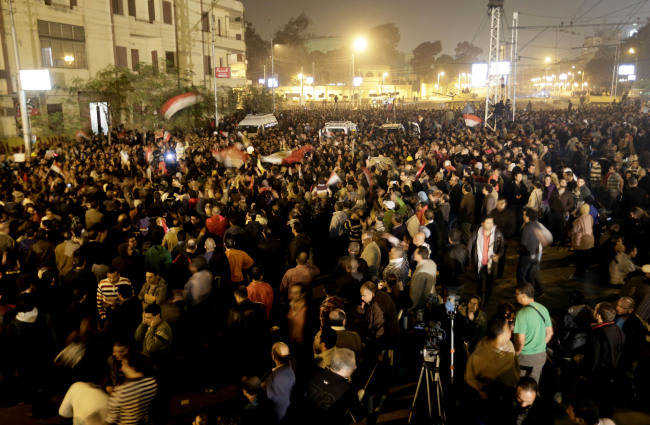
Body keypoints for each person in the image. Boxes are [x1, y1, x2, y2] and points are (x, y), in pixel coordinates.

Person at [306, 348, 362, 424]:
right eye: (353, 365)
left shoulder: (314, 373)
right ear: (342, 370)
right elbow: (358, 416)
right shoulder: (348, 390)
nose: (355, 367)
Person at [514, 283, 553, 383]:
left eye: (516, 294)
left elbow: (520, 343)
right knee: (534, 383)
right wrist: (540, 345)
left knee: (521, 383)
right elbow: (550, 332)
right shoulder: (543, 309)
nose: (515, 296)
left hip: (525, 357)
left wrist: (514, 355)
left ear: (523, 295)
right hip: (541, 356)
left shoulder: (521, 314)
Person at [105, 351, 157, 425]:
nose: (122, 368)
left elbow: (110, 421)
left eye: (123, 364)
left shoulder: (121, 391)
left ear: (130, 367)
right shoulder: (152, 382)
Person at [468, 216, 505, 307]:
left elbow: (502, 247)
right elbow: (470, 246)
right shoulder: (477, 233)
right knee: (480, 284)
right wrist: (469, 260)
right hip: (480, 263)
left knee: (489, 284)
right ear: (482, 224)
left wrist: (498, 255)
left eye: (492, 222)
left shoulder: (497, 233)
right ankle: (479, 301)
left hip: (491, 264)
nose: (491, 225)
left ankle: (486, 301)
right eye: (488, 223)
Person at [517, 208, 550, 297]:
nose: (523, 216)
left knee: (521, 274)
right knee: (533, 273)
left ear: (528, 216)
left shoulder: (527, 228)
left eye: (524, 215)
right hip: (535, 253)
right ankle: (539, 290)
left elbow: (523, 242)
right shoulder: (537, 224)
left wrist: (519, 249)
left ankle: (523, 292)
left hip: (527, 254)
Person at [263, 342, 295, 423]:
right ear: (289, 354)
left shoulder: (273, 379)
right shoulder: (294, 366)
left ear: (273, 356)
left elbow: (268, 399)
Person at [570, 203, 595, 280]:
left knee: (579, 259)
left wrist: (569, 233)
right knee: (585, 256)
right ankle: (585, 269)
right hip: (589, 240)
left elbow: (574, 231)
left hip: (580, 242)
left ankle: (579, 275)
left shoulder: (579, 219)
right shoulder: (590, 217)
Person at [409, 245, 437, 310]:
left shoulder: (419, 273)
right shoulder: (432, 263)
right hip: (431, 299)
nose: (413, 253)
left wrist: (411, 308)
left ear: (420, 256)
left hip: (422, 305)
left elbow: (416, 294)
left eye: (415, 253)